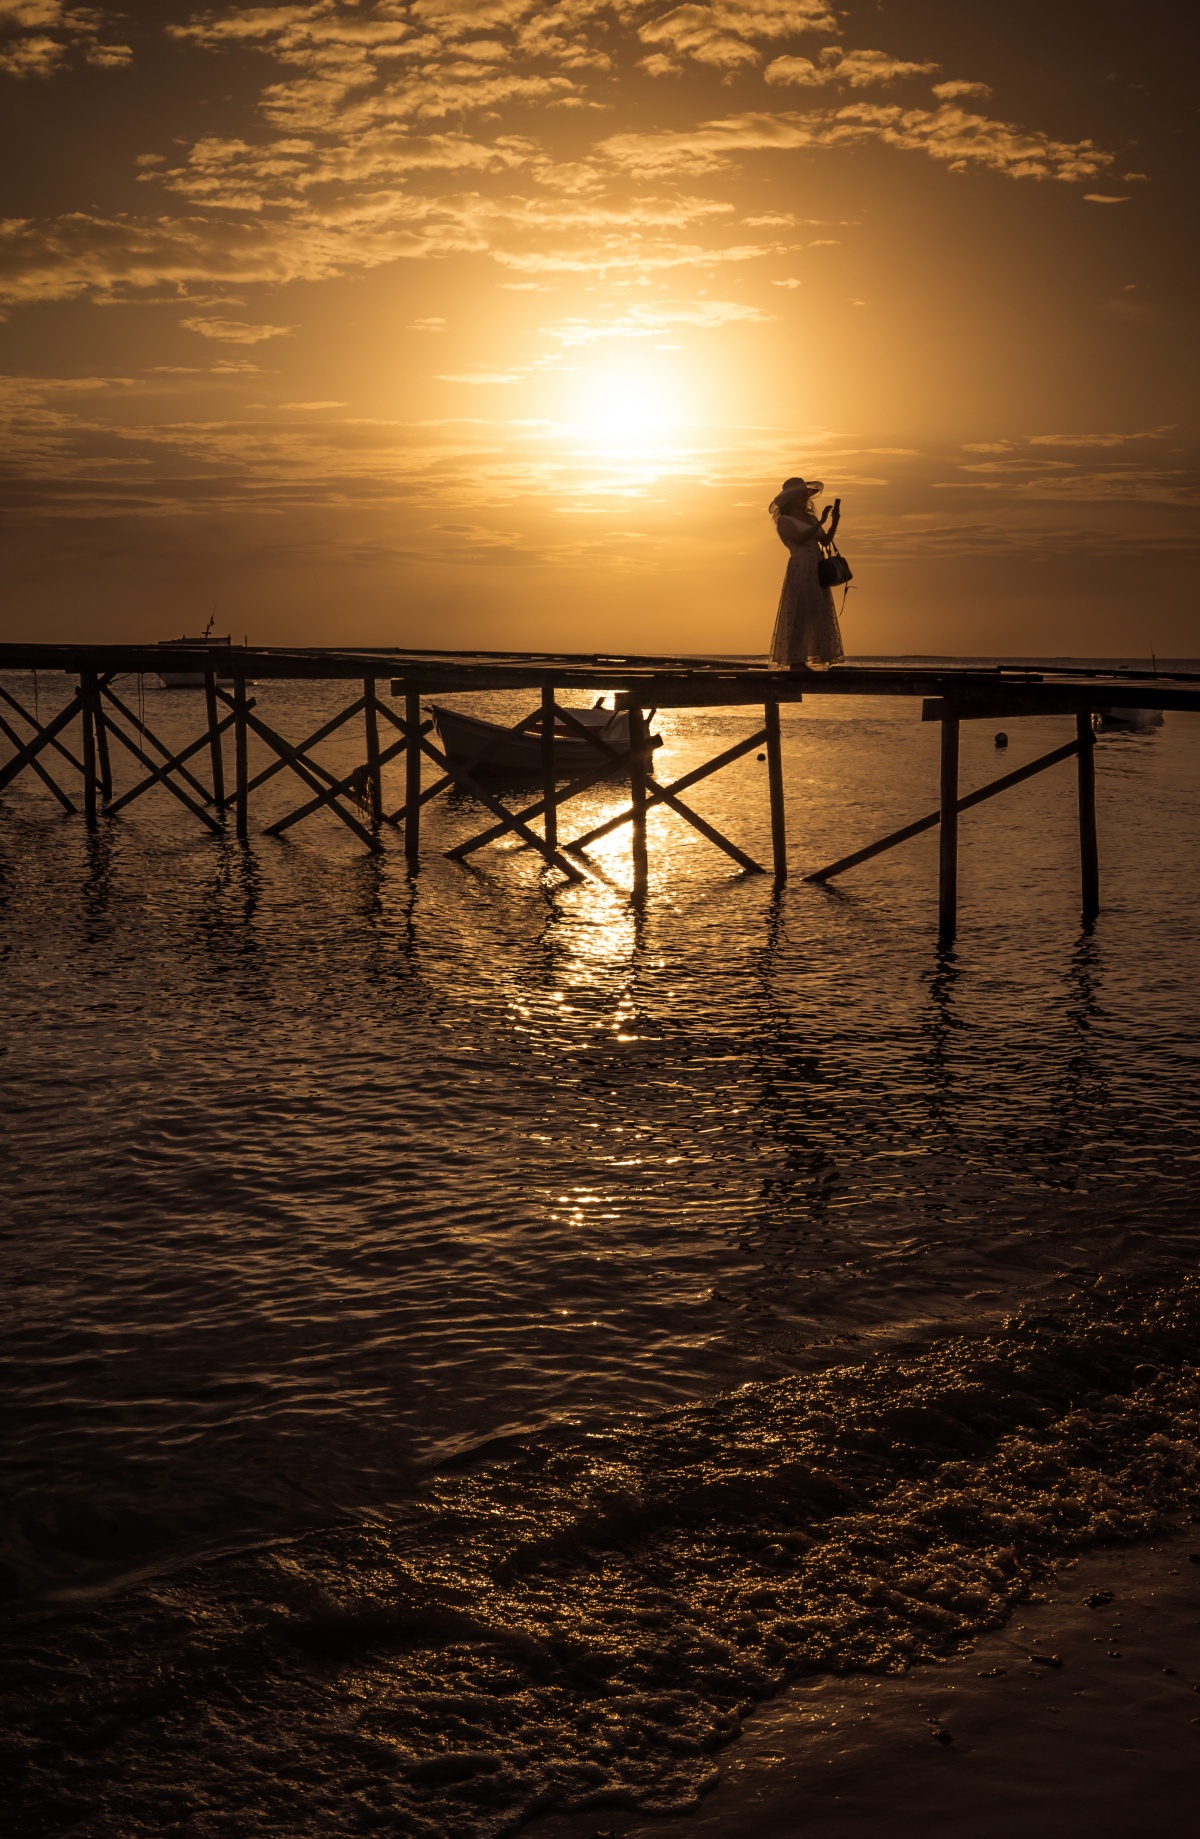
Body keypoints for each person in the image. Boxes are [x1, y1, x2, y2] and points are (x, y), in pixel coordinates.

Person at [767, 475, 844, 670]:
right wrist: (821, 522)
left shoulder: (810, 518)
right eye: (801, 495)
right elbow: (800, 538)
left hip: (815, 566)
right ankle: (795, 660)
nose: (805, 499)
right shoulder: (785, 520)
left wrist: (833, 523)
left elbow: (824, 541)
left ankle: (808, 657)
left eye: (805, 495)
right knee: (799, 612)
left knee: (815, 614)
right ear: (792, 498)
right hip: (800, 566)